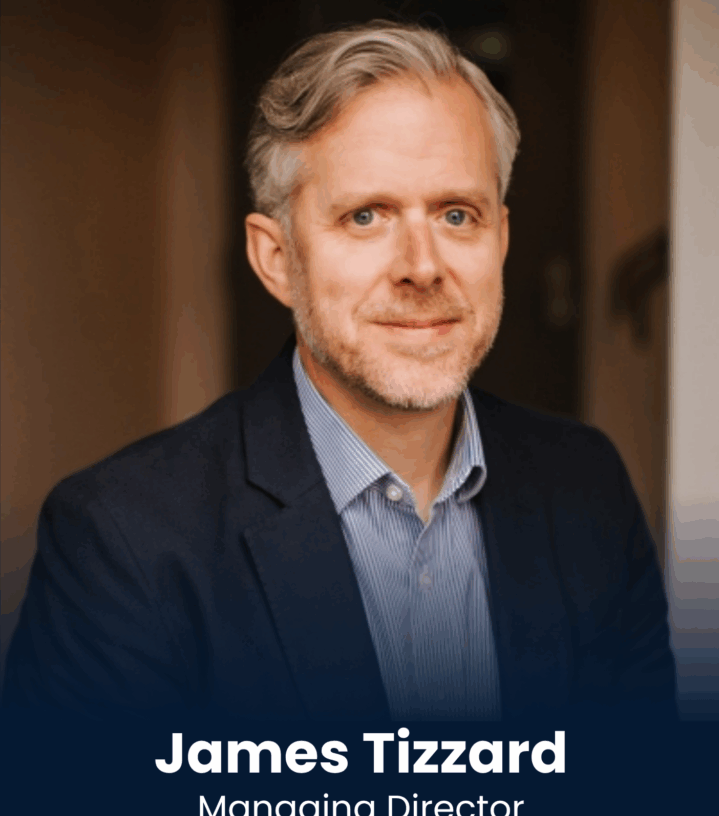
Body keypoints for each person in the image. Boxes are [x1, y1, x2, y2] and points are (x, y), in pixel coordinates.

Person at [3, 22, 675, 720]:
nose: (422, 265)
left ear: (500, 239)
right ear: (276, 260)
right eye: (364, 217)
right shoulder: (123, 539)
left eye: (456, 214)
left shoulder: (588, 486)